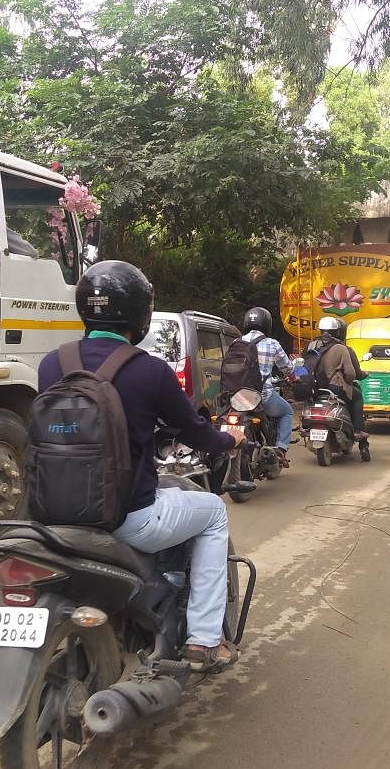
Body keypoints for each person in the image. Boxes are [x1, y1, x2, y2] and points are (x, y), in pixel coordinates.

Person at [38, 260, 245, 671]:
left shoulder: (51, 365)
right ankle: (204, 640)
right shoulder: (149, 369)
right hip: (128, 518)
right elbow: (193, 430)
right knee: (215, 514)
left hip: (55, 518)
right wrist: (229, 440)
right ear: (140, 314)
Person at [239, 307, 295, 455]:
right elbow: (287, 368)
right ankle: (281, 448)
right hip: (261, 396)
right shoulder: (272, 344)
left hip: (237, 396)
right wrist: (294, 377)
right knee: (287, 412)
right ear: (266, 324)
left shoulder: (236, 342)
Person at [314, 316, 370, 459]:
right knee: (357, 397)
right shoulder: (341, 348)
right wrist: (350, 380)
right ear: (339, 332)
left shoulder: (311, 345)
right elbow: (351, 374)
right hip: (335, 388)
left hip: (314, 389)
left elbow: (300, 367)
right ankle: (358, 431)